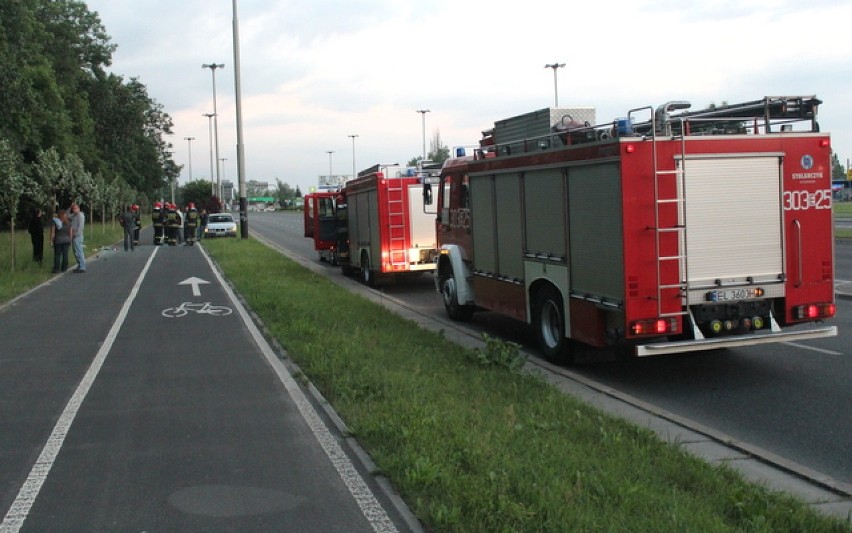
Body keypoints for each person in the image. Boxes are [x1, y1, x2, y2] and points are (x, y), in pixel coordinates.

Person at [68, 203, 86, 273]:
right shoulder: (74, 215)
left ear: (78, 208)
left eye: (75, 208)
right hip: (74, 236)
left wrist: (76, 234)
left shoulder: (80, 215)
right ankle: (79, 265)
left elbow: (81, 227)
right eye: (73, 209)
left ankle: (82, 267)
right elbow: (67, 215)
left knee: (79, 251)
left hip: (77, 236)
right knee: (75, 252)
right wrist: (70, 207)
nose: (74, 210)